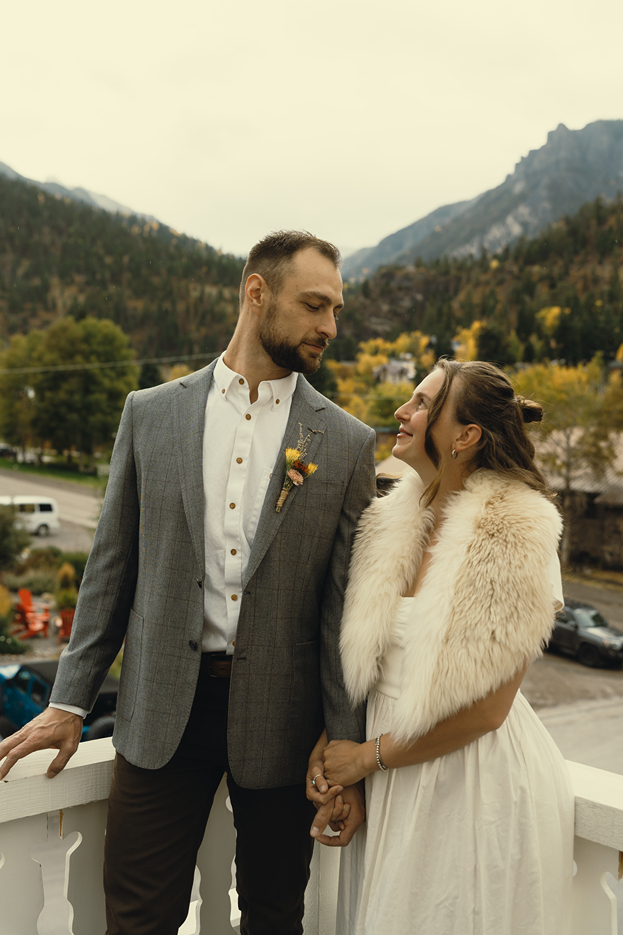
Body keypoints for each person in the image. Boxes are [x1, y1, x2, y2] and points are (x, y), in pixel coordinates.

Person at [0, 230, 376, 935]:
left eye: (336, 310)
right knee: (137, 918)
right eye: (315, 304)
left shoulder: (348, 442)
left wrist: (343, 748)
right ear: (255, 292)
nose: (330, 326)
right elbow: (111, 567)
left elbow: (340, 612)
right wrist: (69, 700)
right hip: (157, 714)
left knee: (272, 916)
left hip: (282, 723)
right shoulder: (151, 413)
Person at [309, 359, 575, 935]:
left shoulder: (518, 533)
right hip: (386, 772)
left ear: (466, 435)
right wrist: (336, 744)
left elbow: (487, 709)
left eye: (423, 403)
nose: (402, 413)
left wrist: (367, 757)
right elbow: (375, 666)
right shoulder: (387, 522)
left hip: (467, 781)